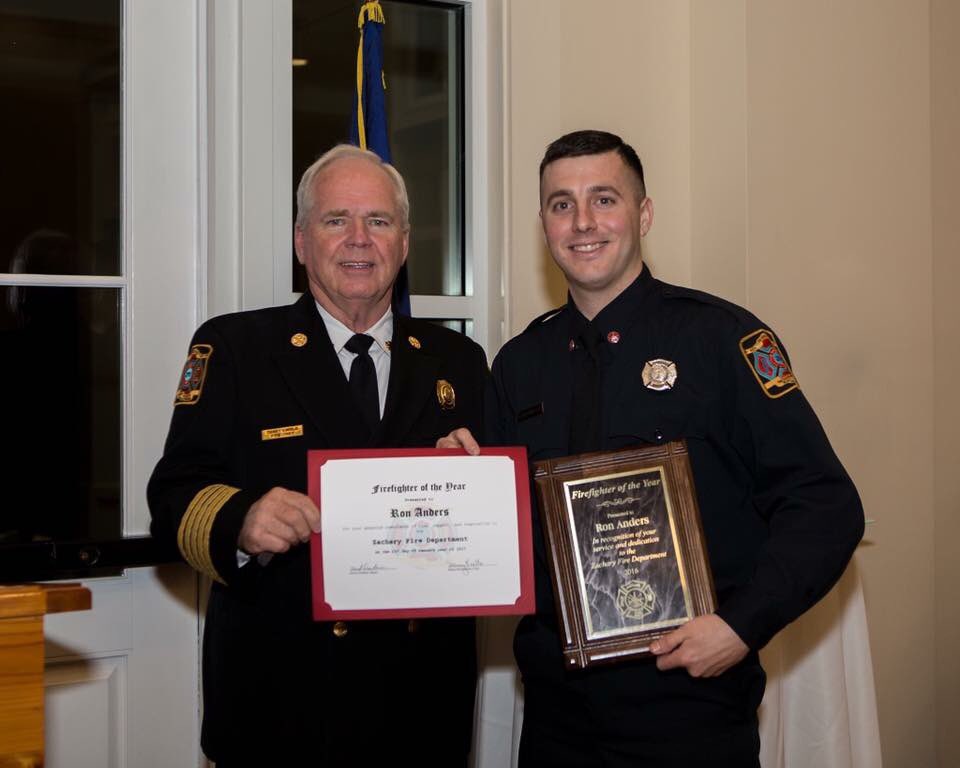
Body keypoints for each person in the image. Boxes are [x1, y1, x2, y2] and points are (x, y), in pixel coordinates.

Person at [439, 130, 864, 767]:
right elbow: (510, 534)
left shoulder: (722, 340)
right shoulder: (520, 364)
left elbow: (826, 505)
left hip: (689, 714)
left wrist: (741, 626)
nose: (582, 222)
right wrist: (461, 485)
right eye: (561, 204)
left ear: (643, 214)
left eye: (603, 199)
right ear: (544, 224)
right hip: (557, 720)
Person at [148, 144, 488, 767]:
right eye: (336, 220)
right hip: (284, 708)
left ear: (405, 242)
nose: (359, 239)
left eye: (379, 221)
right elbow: (172, 499)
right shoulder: (235, 347)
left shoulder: (460, 363)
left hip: (420, 711)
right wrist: (241, 521)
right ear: (302, 241)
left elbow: (497, 536)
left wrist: (475, 487)